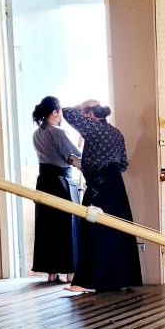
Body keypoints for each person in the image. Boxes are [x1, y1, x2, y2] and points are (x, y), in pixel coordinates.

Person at [61, 100, 142, 293]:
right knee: (117, 231)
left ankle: (89, 282)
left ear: (90, 115)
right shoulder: (116, 133)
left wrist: (84, 104)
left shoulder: (94, 128)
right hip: (115, 185)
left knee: (93, 230)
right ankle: (120, 279)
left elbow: (67, 113)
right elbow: (123, 164)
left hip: (98, 186)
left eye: (86, 114)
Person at [31, 96, 82, 282]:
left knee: (47, 226)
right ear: (55, 112)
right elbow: (74, 156)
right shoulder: (58, 132)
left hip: (44, 181)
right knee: (68, 225)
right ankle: (71, 272)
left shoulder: (37, 133)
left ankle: (51, 273)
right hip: (62, 182)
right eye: (60, 112)